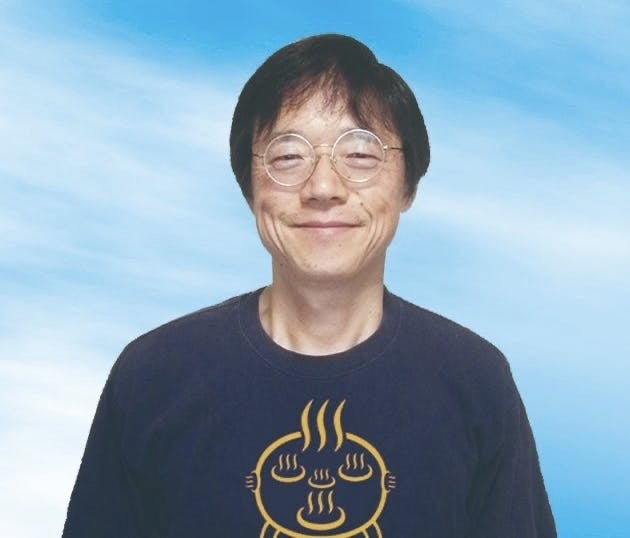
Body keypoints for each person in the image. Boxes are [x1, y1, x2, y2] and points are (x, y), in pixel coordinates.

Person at [63, 34, 556, 537]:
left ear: (408, 185)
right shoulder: (153, 377)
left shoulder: (475, 381)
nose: (322, 188)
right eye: (287, 156)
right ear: (248, 185)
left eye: (360, 154)